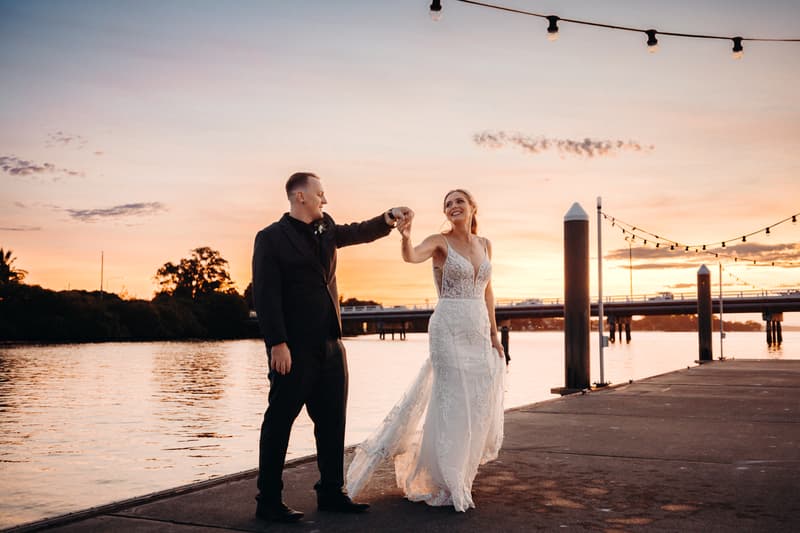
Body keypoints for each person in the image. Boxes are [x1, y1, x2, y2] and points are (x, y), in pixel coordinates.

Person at [251, 171, 411, 522]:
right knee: (279, 422)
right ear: (300, 197)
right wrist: (277, 342)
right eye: (320, 193)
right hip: (293, 348)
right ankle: (268, 501)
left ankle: (331, 492)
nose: (326, 200)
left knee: (332, 421)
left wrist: (388, 218)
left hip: (331, 345)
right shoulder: (270, 238)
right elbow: (265, 294)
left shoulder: (328, 229)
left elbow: (358, 231)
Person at [346, 188, 505, 512]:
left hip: (476, 331)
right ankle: (447, 480)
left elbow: (489, 292)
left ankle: (462, 474)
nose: (453, 206)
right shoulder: (439, 242)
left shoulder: (486, 244)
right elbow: (412, 256)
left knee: (474, 405)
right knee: (450, 402)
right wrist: (405, 236)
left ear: (473, 206)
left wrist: (494, 333)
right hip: (447, 328)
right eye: (447, 204)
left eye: (459, 201)